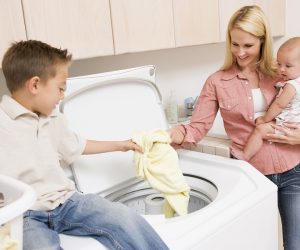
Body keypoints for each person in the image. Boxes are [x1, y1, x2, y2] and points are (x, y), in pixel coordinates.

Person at [0, 40, 169, 250]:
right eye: (60, 88)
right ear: (34, 85)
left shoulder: (53, 118)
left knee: (124, 217)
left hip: (67, 202)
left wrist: (120, 144)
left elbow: (77, 145)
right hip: (25, 215)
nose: (62, 96)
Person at [168, 5, 300, 250]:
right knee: (258, 243)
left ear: (263, 41)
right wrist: (167, 136)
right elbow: (196, 128)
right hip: (252, 175)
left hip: (294, 170)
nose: (240, 52)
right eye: (234, 43)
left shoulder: (282, 71)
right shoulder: (217, 82)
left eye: (248, 45)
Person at [242, 37, 300, 161]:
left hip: (289, 127)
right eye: (279, 64)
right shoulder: (292, 80)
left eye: (288, 66)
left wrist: (265, 119)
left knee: (259, 130)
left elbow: (279, 105)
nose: (281, 69)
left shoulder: (291, 86)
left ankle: (244, 158)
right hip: (295, 125)